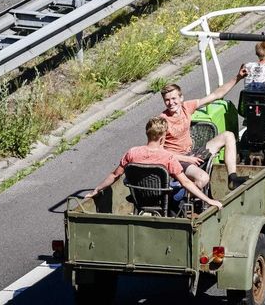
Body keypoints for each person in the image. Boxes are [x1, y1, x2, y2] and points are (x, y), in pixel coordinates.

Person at [85, 117, 222, 211]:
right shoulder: (167, 157)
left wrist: (96, 190)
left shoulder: (132, 153)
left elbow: (115, 175)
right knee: (180, 185)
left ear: (147, 134)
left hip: (139, 197)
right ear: (163, 138)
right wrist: (208, 200)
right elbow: (187, 183)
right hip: (164, 199)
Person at [159, 70, 247, 191]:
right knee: (203, 179)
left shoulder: (186, 107)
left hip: (192, 153)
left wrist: (238, 77)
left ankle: (233, 178)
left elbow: (215, 95)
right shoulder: (162, 121)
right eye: (167, 100)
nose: (171, 103)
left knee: (228, 136)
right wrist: (187, 159)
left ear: (181, 98)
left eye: (174, 98)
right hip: (177, 160)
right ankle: (179, 198)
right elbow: (160, 152)